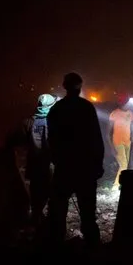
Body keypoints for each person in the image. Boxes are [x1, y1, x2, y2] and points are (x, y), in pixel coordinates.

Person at [46, 73, 105, 247]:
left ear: (65, 86)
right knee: (87, 212)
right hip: (85, 168)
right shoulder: (86, 107)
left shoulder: (57, 109)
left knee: (59, 210)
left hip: (64, 167)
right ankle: (92, 248)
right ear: (80, 87)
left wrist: (56, 160)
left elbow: (52, 140)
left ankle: (56, 247)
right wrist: (98, 163)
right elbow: (96, 138)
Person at [25, 93, 57, 226]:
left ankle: (35, 217)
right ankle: (42, 221)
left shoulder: (28, 121)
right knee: (48, 191)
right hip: (47, 164)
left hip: (33, 162)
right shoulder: (53, 122)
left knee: (35, 190)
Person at [109, 93, 133, 188]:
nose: (127, 104)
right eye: (125, 102)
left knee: (126, 164)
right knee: (123, 164)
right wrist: (111, 147)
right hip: (117, 142)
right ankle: (116, 186)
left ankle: (122, 184)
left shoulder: (130, 113)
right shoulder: (114, 113)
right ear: (121, 103)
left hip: (127, 142)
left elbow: (132, 129)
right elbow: (109, 132)